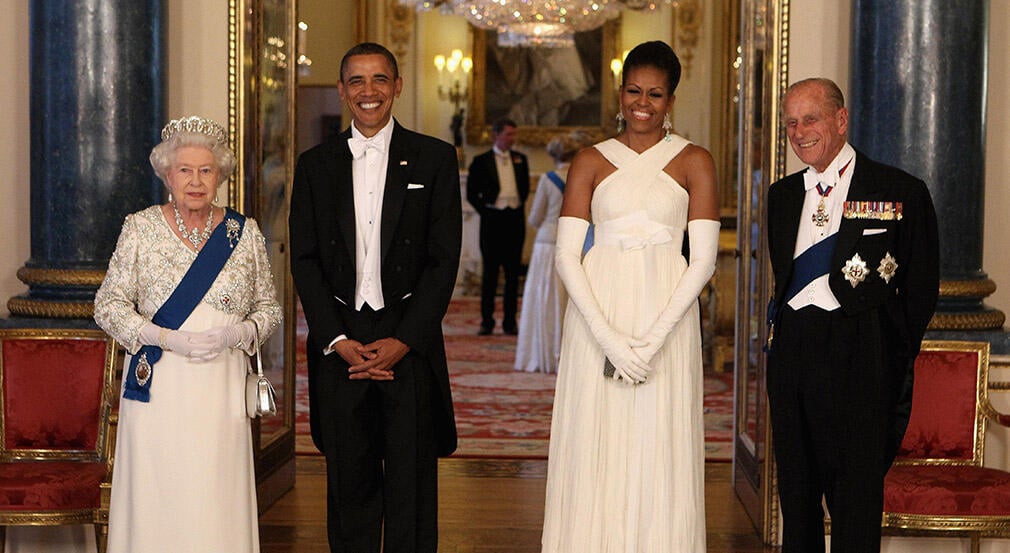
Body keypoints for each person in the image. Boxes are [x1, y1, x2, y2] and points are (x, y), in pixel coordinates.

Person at [541, 41, 720, 552]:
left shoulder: (694, 160)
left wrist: (649, 341)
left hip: (667, 315)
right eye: (634, 91)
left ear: (671, 100)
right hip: (599, 314)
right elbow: (566, 256)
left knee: (657, 442)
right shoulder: (589, 160)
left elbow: (702, 260)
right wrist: (611, 341)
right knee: (597, 439)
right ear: (620, 94)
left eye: (656, 94)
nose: (643, 103)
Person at [289, 42, 462, 553]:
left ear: (397, 87)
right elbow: (305, 260)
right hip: (339, 344)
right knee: (349, 487)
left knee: (411, 486)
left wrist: (404, 340)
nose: (369, 92)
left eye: (379, 80)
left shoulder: (434, 159)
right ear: (342, 90)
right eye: (357, 81)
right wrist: (337, 338)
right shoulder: (315, 164)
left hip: (408, 341)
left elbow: (442, 260)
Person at [94, 115, 282, 553]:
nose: (195, 181)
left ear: (220, 176)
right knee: (161, 487)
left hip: (219, 385)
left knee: (213, 490)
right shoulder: (140, 228)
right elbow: (108, 305)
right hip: (160, 384)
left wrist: (238, 332)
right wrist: (162, 337)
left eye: (205, 170)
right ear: (166, 174)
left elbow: (270, 309)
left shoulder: (244, 232)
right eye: (185, 170)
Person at [765, 77, 939, 553]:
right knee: (797, 500)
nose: (800, 132)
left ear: (841, 120)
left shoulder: (897, 190)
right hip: (793, 359)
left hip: (859, 358)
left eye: (811, 119)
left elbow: (920, 289)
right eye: (791, 123)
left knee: (856, 503)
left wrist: (886, 352)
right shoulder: (781, 197)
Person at [514, 130, 593, 374]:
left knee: (546, 299)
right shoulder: (584, 176)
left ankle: (545, 353)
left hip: (548, 243)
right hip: (577, 241)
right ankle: (571, 354)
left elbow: (535, 216)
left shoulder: (549, 179)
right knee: (573, 300)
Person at [466, 117, 530, 335]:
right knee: (490, 274)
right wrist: (488, 209)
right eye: (508, 134)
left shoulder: (521, 159)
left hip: (514, 221)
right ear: (496, 135)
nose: (512, 138)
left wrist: (516, 205)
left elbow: (525, 188)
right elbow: (471, 193)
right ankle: (487, 321)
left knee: (512, 275)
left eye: (514, 134)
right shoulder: (481, 161)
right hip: (492, 222)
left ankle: (510, 322)